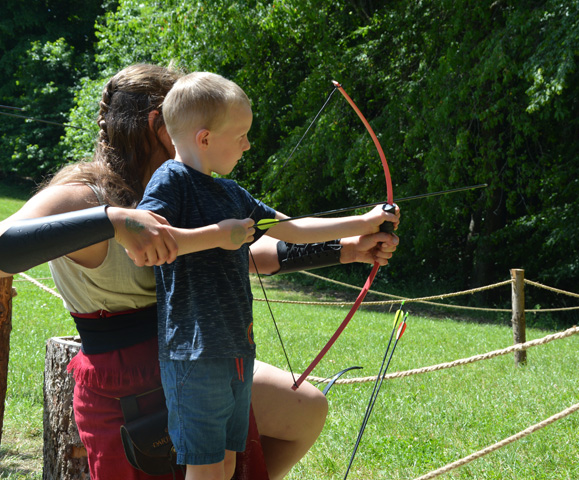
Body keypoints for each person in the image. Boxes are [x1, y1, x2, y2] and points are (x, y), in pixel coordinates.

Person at [0, 63, 400, 480]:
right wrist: (111, 221)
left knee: (304, 410)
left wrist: (346, 248)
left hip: (201, 353)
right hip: (128, 384)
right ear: (162, 123)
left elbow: (240, 250)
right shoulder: (84, 195)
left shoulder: (190, 186)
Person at [135, 71, 399, 480]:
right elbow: (148, 242)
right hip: (194, 354)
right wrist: (217, 236)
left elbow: (292, 229)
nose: (248, 143)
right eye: (240, 134)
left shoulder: (232, 193)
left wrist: (362, 223)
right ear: (204, 139)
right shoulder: (171, 181)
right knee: (204, 469)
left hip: (237, 350)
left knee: (224, 463)